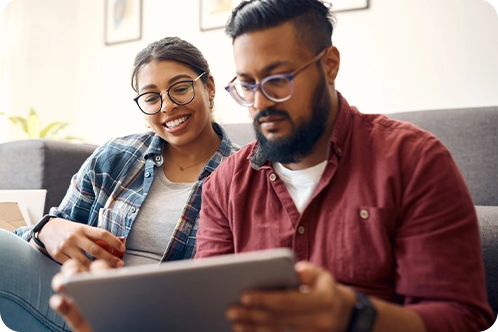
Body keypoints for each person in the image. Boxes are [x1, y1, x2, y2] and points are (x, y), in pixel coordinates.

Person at [50, 0, 495, 331]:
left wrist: (355, 316)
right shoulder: (227, 184)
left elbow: (463, 320)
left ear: (330, 65)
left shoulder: (413, 161)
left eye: (277, 80)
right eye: (246, 85)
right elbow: (208, 321)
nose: (260, 103)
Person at [0, 36, 238, 332]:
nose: (167, 107)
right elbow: (44, 237)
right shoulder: (117, 156)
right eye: (151, 97)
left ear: (209, 87)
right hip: (76, 305)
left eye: (180, 88)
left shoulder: (243, 174)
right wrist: (47, 229)